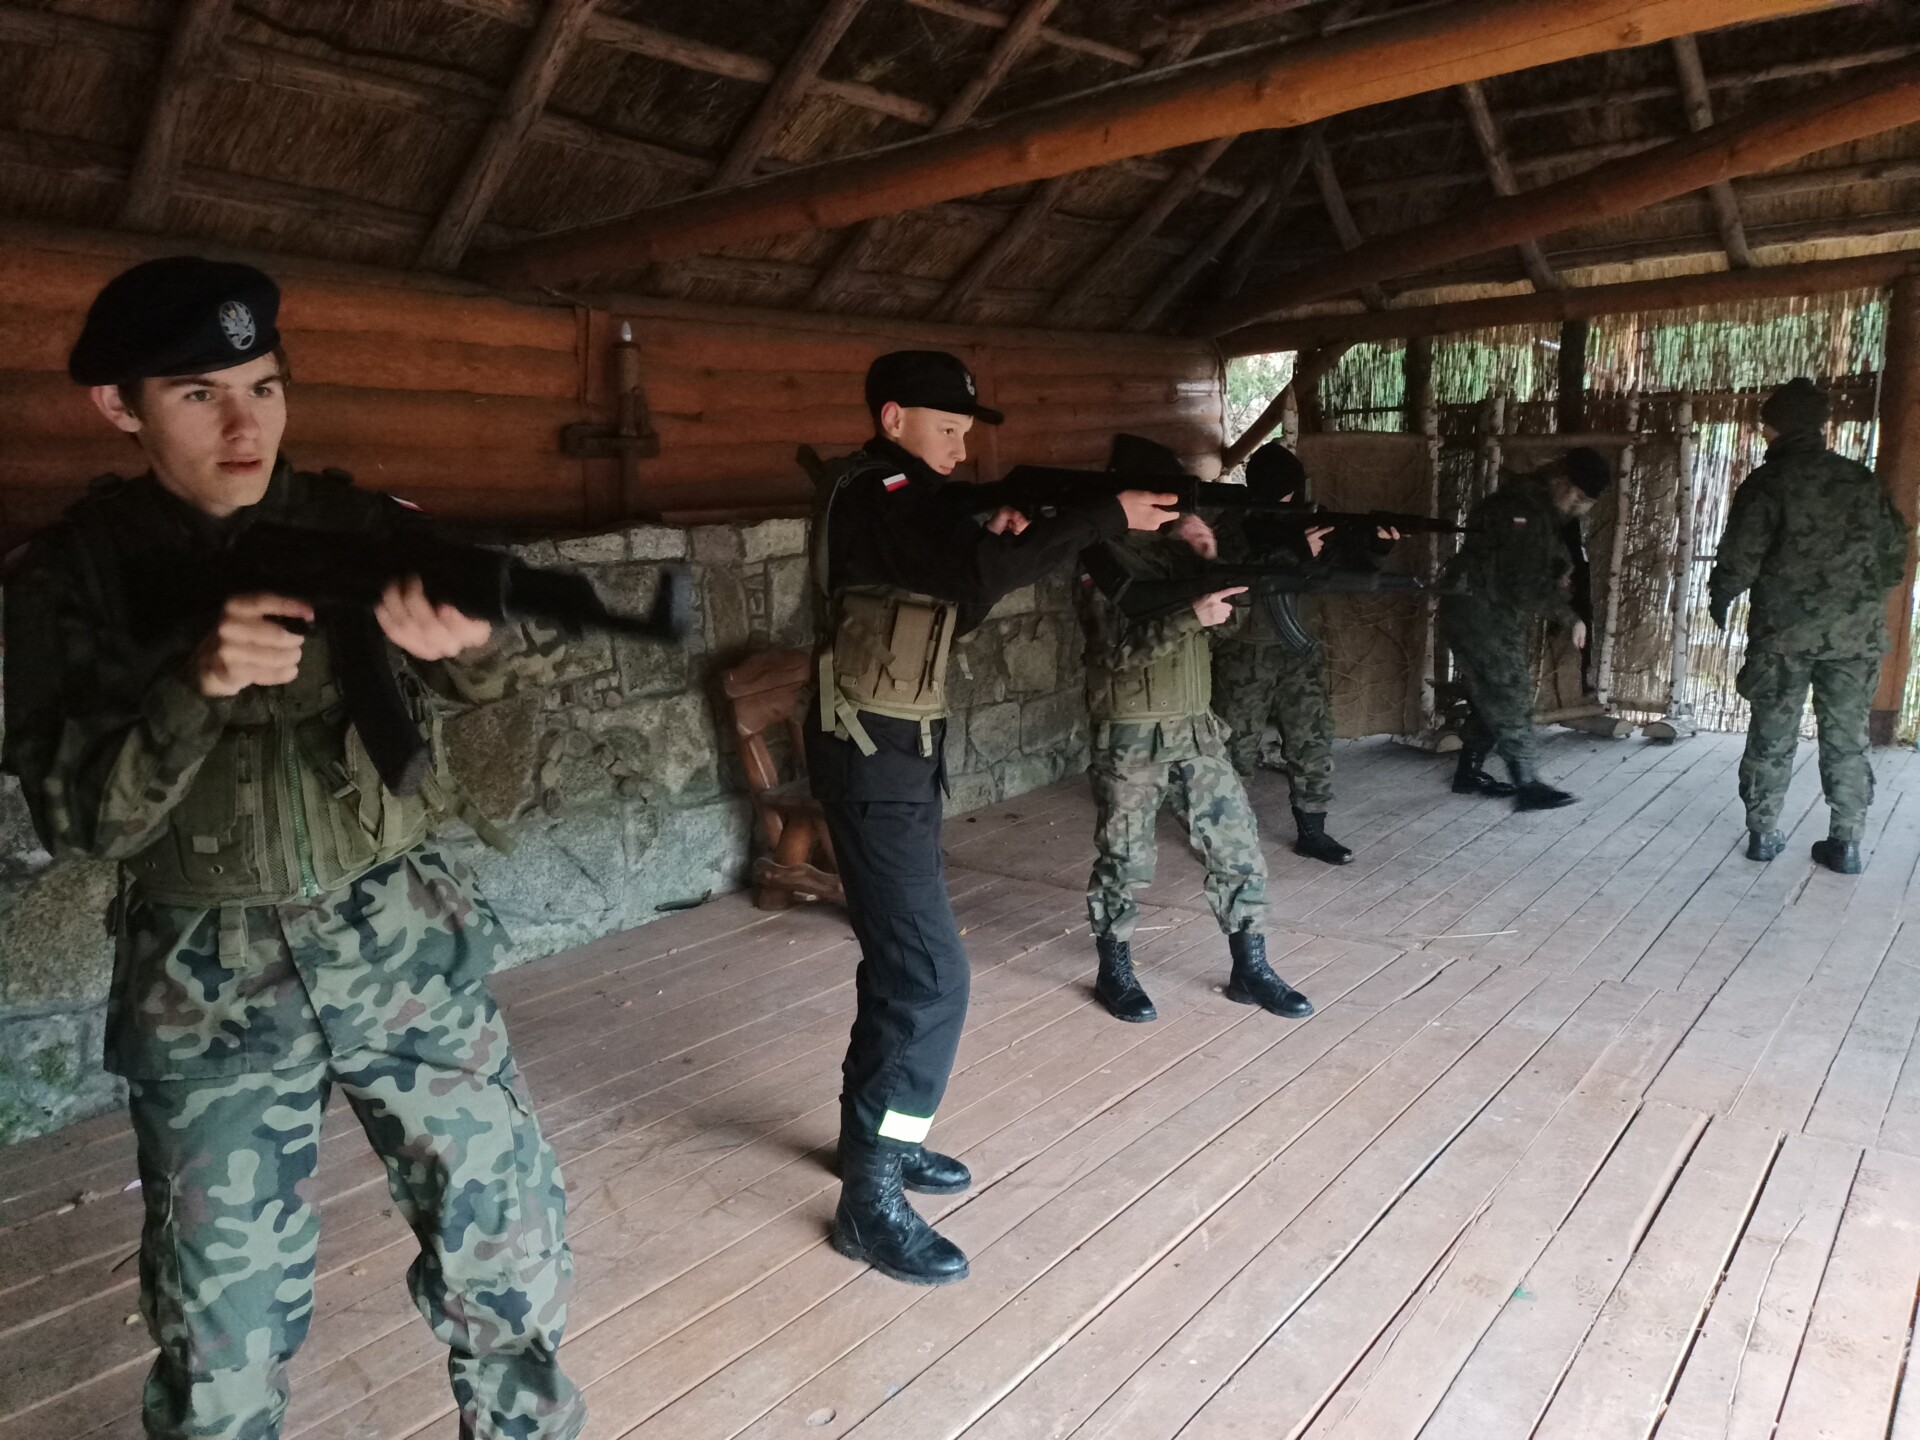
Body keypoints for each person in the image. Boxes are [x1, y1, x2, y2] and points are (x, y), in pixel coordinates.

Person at [2, 257, 586, 1440]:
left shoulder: (356, 523)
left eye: (264, 387)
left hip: (403, 946)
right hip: (206, 988)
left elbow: (536, 641)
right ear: (118, 406)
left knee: (508, 1249)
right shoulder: (69, 578)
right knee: (221, 1335)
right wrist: (195, 687)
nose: (245, 426)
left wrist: (471, 641)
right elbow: (79, 821)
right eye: (199, 395)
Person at [806, 351, 1177, 1286]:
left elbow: (951, 595)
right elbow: (970, 579)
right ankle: (870, 1201)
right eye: (947, 426)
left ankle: (876, 1145)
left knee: (903, 966)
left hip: (893, 753)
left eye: (968, 431)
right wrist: (1097, 518)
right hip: (873, 757)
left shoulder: (909, 503)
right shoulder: (880, 491)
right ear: (892, 418)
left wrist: (1009, 522)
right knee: (932, 978)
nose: (961, 445)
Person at [1077, 434, 1314, 1026]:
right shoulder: (1100, 558)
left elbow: (1225, 631)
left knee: (1238, 849)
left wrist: (1209, 565)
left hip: (1196, 728)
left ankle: (1250, 967)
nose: (1175, 508)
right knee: (1124, 859)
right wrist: (1189, 614)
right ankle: (1114, 970)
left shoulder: (1176, 552)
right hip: (1132, 734)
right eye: (1166, 497)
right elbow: (1114, 655)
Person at [1708, 377, 1911, 874]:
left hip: (1783, 637)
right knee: (1847, 739)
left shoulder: (1768, 482)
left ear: (1776, 427)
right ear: (1819, 426)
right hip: (1854, 638)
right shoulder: (1861, 481)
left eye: (1766, 424)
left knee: (1772, 732)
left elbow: (1741, 557)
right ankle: (1847, 843)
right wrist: (1858, 603)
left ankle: (1762, 834)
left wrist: (1721, 595)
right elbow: (1895, 554)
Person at [1211, 442, 1397, 865]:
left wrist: (1376, 546)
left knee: (1311, 739)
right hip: (1245, 654)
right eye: (1285, 492)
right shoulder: (1233, 524)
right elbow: (1230, 574)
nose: (1291, 498)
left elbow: (1351, 566)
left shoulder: (1312, 520)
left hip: (1300, 652)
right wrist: (1293, 550)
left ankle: (1313, 831)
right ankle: (1224, 834)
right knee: (1235, 745)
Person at [1438, 447, 1612, 809]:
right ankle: (1528, 784)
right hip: (1478, 608)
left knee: (1492, 690)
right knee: (1510, 690)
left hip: (1484, 605)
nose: (1577, 507)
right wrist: (1569, 616)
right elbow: (1523, 583)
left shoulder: (1537, 507)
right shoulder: (1525, 509)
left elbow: (1530, 563)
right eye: (1576, 497)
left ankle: (1469, 772)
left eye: (1585, 503)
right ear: (1560, 480)